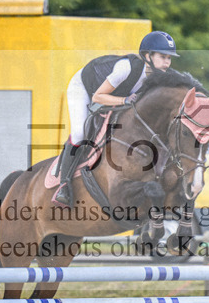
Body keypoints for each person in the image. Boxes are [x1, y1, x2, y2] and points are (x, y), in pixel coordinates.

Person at [54, 31, 179, 205]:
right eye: (163, 56)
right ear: (147, 55)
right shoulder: (126, 68)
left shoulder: (159, 77)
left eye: (169, 58)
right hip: (84, 86)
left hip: (114, 95)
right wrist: (124, 100)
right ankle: (64, 184)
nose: (167, 62)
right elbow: (98, 97)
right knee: (79, 134)